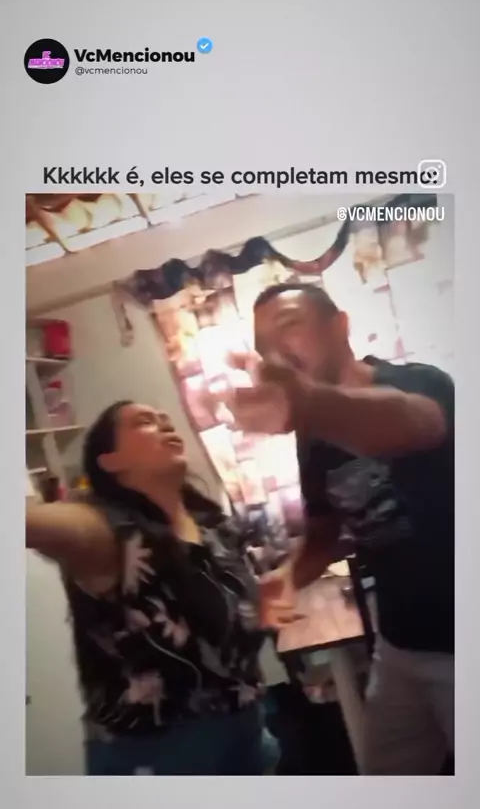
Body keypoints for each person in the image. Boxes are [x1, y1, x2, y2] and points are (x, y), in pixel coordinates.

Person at [224, 282, 454, 775]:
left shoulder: (419, 382)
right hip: (398, 646)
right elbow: (323, 533)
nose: (276, 354)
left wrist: (308, 402)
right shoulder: (313, 437)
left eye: (289, 327)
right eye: (263, 346)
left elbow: (420, 423)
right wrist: (289, 576)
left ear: (340, 326)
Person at [26, 401, 295, 776]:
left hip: (247, 732)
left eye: (165, 420)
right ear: (110, 461)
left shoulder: (208, 522)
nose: (165, 424)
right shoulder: (106, 530)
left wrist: (257, 607)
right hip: (161, 756)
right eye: (145, 422)